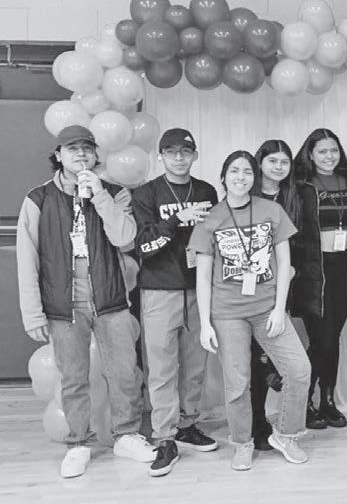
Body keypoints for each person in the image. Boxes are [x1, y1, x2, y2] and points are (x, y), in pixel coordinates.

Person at [17, 125, 156, 478]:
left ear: (95, 155)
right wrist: (33, 313)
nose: (80, 154)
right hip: (63, 305)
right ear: (58, 155)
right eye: (72, 149)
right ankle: (78, 442)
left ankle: (127, 435)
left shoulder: (115, 193)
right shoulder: (38, 199)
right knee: (73, 377)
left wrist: (100, 196)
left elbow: (125, 239)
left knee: (125, 372)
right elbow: (26, 258)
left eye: (87, 149)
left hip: (111, 299)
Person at [189, 151, 311, 471]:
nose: (240, 177)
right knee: (238, 382)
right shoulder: (211, 218)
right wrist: (205, 323)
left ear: (254, 177)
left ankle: (285, 435)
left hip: (267, 308)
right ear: (223, 176)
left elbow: (284, 262)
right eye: (234, 170)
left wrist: (279, 309)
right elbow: (203, 275)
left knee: (299, 369)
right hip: (227, 313)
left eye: (247, 171)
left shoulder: (272, 211)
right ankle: (242, 442)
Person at [133, 128, 219, 476]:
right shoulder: (146, 193)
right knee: (162, 368)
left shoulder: (207, 191)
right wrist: (175, 220)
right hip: (159, 291)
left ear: (195, 155)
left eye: (185, 151)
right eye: (171, 152)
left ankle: (187, 423)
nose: (179, 158)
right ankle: (165, 436)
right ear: (161, 157)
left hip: (199, 290)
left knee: (195, 364)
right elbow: (143, 246)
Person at [290, 130, 347, 430]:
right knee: (323, 338)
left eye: (333, 150)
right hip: (312, 273)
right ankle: (304, 400)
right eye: (322, 151)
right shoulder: (301, 186)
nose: (329, 156)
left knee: (333, 338)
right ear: (310, 154)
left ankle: (328, 401)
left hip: (343, 269)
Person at [249, 140, 296, 445]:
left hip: (286, 286)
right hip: (252, 289)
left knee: (276, 355)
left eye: (284, 162)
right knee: (256, 357)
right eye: (272, 161)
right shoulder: (246, 195)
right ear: (260, 164)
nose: (278, 167)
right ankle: (255, 423)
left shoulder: (293, 196)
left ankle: (274, 420)